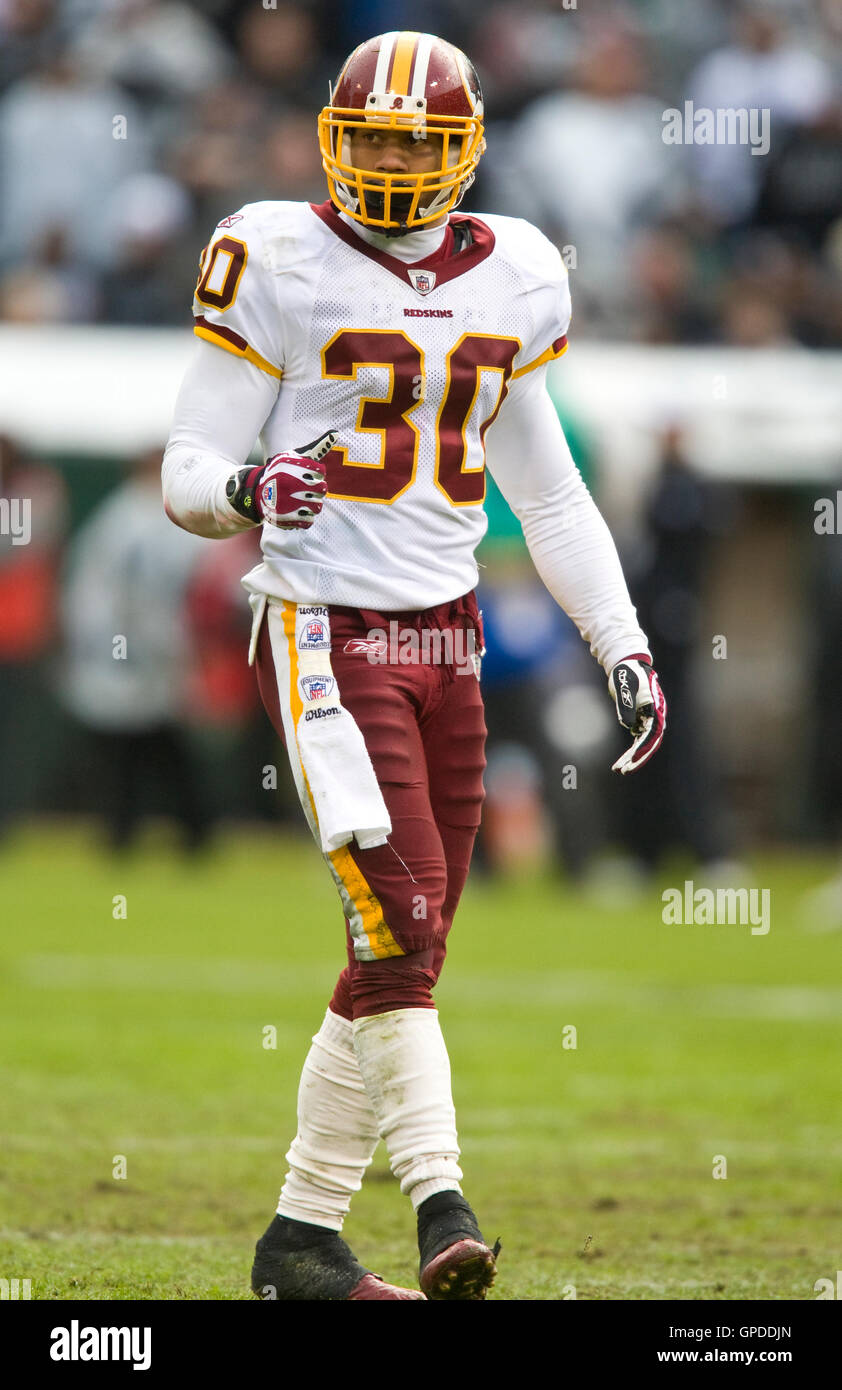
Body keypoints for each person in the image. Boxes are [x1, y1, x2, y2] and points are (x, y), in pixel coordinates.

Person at [162, 30, 666, 1302]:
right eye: (368, 137)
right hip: (326, 625)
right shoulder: (273, 252)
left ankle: (299, 1243)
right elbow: (185, 474)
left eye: (412, 140)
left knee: (412, 942)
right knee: (403, 911)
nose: (388, 161)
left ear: (463, 149)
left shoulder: (515, 272)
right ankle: (443, 1202)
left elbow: (548, 496)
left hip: (450, 636)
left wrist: (620, 638)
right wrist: (244, 486)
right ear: (333, 139)